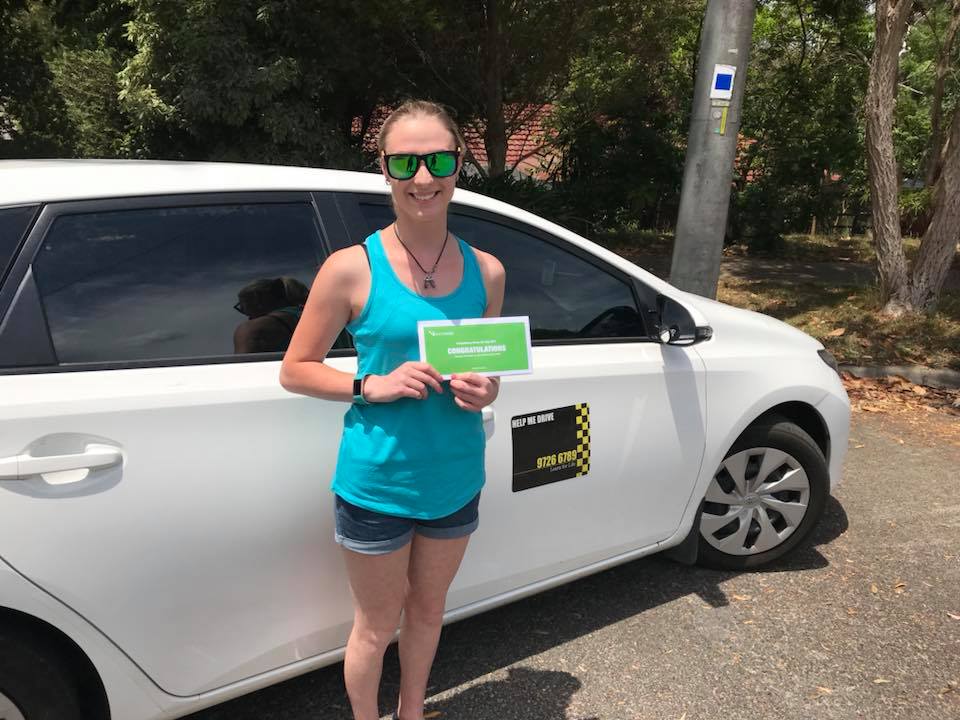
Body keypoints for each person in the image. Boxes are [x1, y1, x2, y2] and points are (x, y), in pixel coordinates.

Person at [279, 100, 506, 720]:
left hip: (456, 476)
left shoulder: (487, 272)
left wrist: (487, 391)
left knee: (429, 614)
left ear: (461, 164)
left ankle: (411, 712)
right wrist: (366, 385)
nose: (423, 177)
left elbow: (488, 369)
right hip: (378, 482)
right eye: (406, 161)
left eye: (438, 159)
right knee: (376, 627)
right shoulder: (351, 268)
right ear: (384, 168)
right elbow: (294, 369)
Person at [233, 276, 309, 353]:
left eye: (243, 305)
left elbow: (243, 364)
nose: (244, 313)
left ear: (257, 299)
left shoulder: (252, 329)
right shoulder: (313, 316)